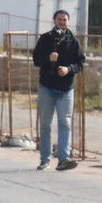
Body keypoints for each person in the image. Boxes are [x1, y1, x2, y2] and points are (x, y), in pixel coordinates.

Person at [32, 9, 85, 171]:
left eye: (65, 20)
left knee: (65, 122)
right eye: (59, 19)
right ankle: (45, 159)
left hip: (66, 89)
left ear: (68, 22)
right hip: (47, 87)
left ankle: (64, 158)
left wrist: (69, 69)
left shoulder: (73, 41)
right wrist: (48, 58)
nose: (62, 22)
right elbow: (36, 60)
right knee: (45, 124)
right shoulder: (46, 39)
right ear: (54, 20)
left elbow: (80, 63)